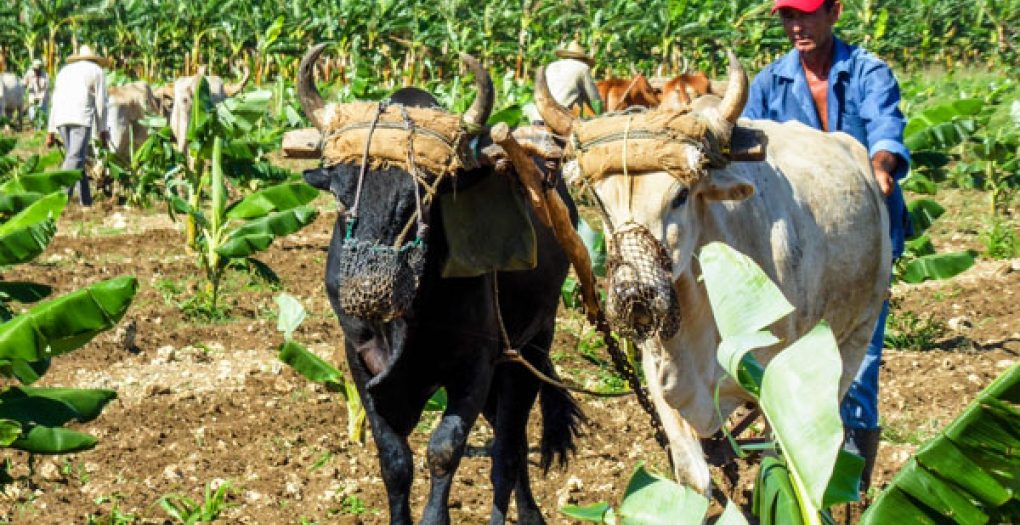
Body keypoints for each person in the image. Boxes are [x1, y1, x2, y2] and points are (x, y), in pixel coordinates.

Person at [741, 0, 911, 491]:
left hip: (859, 243)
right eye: (788, 17)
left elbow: (886, 130)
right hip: (790, 247)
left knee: (858, 364)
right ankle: (788, 479)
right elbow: (750, 144)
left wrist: (878, 169)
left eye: (807, 14)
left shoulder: (867, 72)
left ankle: (850, 491)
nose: (797, 27)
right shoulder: (769, 82)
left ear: (834, 12)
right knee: (783, 357)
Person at [45, 45, 109, 206]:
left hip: (61, 118)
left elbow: (55, 99)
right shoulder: (96, 71)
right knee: (75, 158)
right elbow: (101, 103)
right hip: (81, 117)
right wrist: (102, 129)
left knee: (76, 159)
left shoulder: (64, 71)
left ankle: (86, 201)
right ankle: (60, 199)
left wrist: (50, 130)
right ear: (94, 58)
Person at [524, 40, 603, 123]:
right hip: (560, 119)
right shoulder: (583, 68)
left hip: (538, 115)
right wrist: (601, 117)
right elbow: (594, 100)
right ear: (583, 58)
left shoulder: (551, 66)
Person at [22, 58, 49, 125]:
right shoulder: (29, 73)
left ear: (41, 68)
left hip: (43, 97)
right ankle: (33, 123)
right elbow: (24, 84)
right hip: (32, 96)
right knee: (32, 113)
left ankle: (41, 125)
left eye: (38, 69)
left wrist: (41, 97)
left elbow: (46, 88)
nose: (36, 70)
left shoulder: (45, 75)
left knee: (42, 115)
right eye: (35, 69)